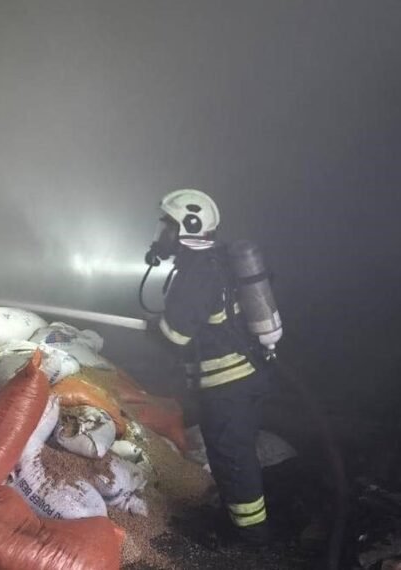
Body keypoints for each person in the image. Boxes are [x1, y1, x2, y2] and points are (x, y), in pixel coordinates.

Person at [147, 189, 275, 545]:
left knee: (233, 458)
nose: (162, 235)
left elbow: (176, 336)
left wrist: (153, 326)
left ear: (187, 227)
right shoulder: (215, 262)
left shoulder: (196, 273)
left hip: (227, 384)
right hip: (244, 376)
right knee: (233, 454)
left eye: (167, 227)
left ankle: (251, 537)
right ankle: (238, 519)